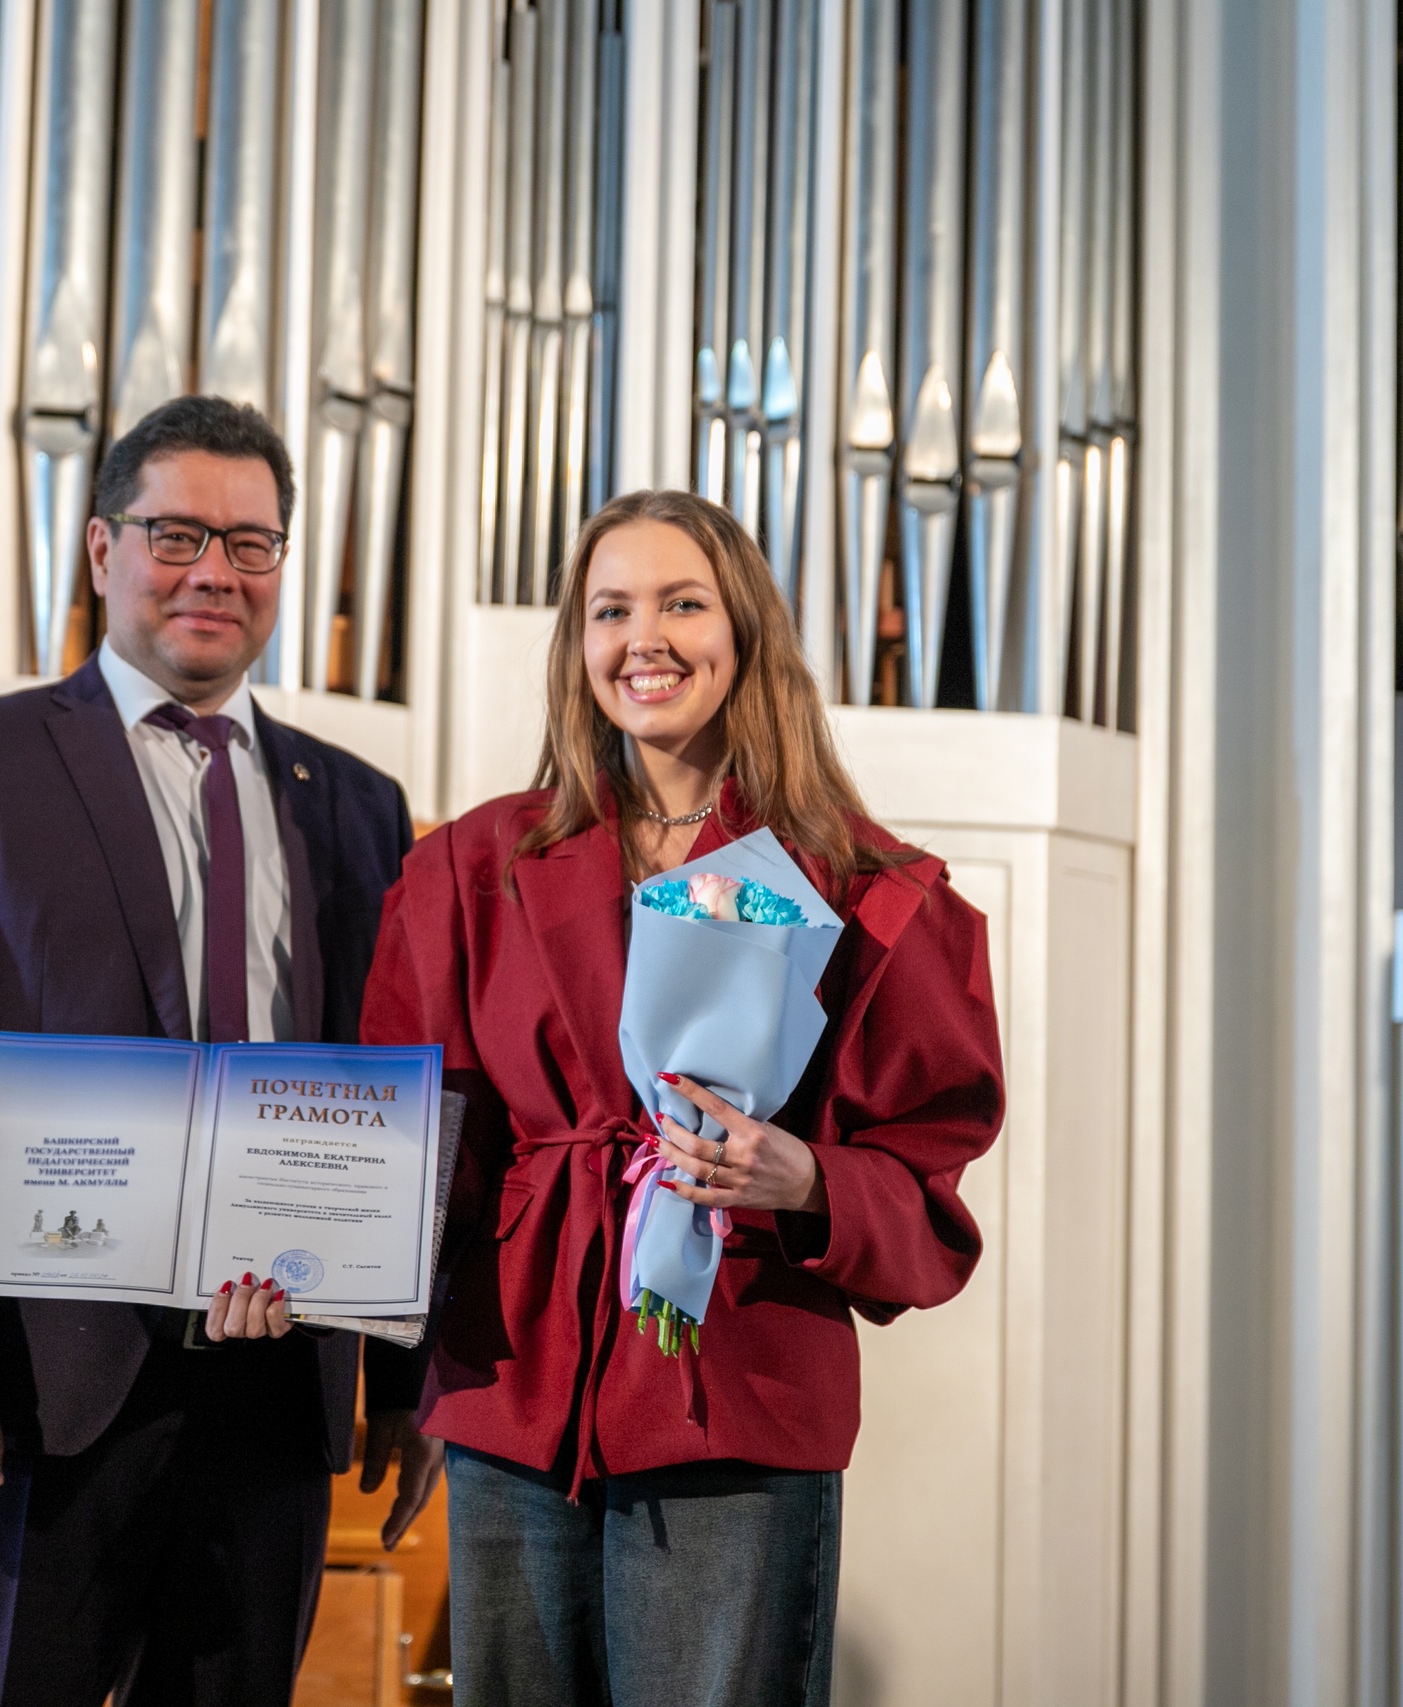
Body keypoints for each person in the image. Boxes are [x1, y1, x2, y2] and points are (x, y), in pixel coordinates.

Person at [0, 395, 440, 1707]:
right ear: (102, 547)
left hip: (277, 1381)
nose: (214, 571)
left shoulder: (356, 804)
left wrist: (405, 1371)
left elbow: (391, 1085)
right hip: (35, 1388)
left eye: (250, 542)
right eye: (176, 534)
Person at [360, 490, 1005, 1705]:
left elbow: (926, 1170)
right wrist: (336, 1300)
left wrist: (805, 1179)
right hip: (515, 1384)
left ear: (744, 631)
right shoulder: (471, 868)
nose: (642, 639)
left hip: (736, 1388)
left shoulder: (862, 886)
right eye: (610, 610)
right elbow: (412, 1142)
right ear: (577, 643)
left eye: (681, 604)